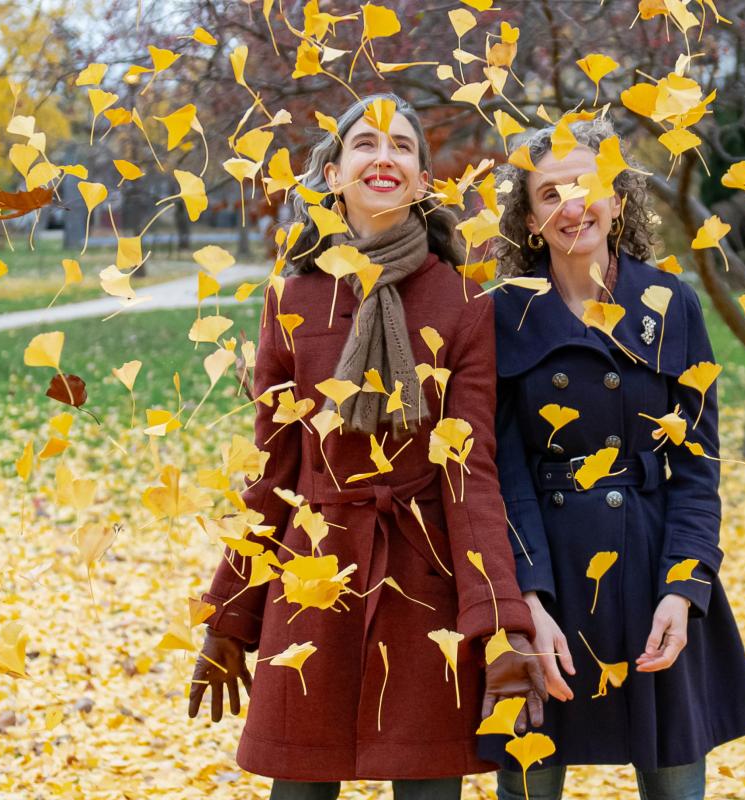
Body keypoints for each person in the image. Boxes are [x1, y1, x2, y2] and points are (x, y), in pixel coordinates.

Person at [189, 93, 545, 800]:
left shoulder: (465, 302)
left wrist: (502, 625)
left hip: (426, 582)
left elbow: (470, 473)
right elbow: (274, 473)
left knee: (429, 789)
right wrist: (230, 614)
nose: (385, 157)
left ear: (421, 180)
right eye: (366, 144)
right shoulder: (289, 301)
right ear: (333, 173)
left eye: (403, 147)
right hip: (311, 578)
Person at [485, 119, 745, 800]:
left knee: (674, 782)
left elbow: (699, 466)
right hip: (545, 576)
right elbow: (501, 473)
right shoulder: (502, 316)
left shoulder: (671, 304)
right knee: (528, 780)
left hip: (649, 570)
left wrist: (684, 586)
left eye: (586, 186)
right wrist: (526, 603)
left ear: (618, 199)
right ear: (528, 219)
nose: (570, 206)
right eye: (548, 194)